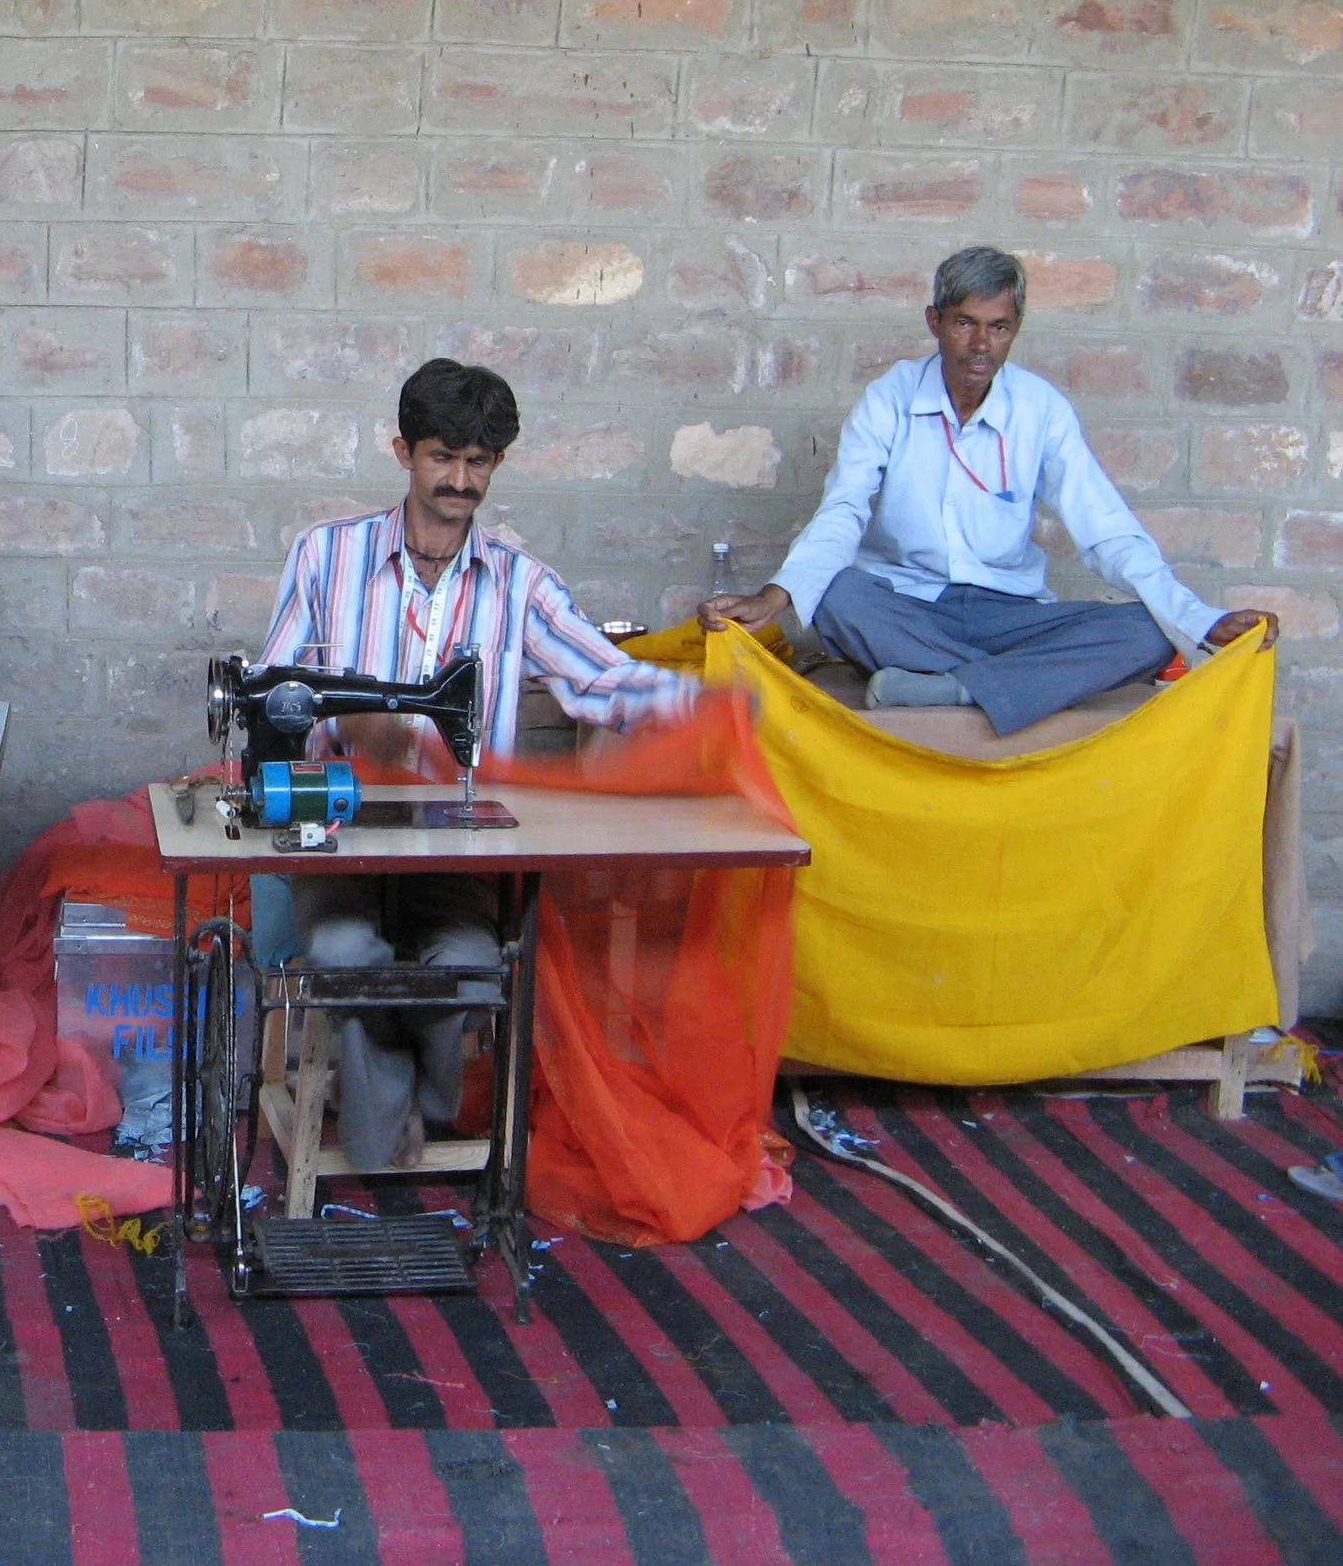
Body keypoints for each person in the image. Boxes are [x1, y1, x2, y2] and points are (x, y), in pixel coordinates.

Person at [260, 358, 697, 1172]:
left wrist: (710, 708)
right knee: (350, 958)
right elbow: (279, 697)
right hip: (341, 834)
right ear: (403, 451)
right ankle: (392, 1139)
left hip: (454, 841)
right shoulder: (326, 557)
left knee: (463, 965)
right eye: (442, 456)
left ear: (497, 463)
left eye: (479, 462)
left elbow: (601, 678)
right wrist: (353, 724)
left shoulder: (519, 585)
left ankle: (392, 1110)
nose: (460, 481)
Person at [700, 246, 1276, 735]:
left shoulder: (1041, 409)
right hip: (910, 608)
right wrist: (775, 597)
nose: (981, 344)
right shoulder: (889, 398)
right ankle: (1020, 683)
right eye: (964, 323)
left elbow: (1107, 532)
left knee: (1150, 629)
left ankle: (952, 689)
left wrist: (1197, 619)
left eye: (998, 327)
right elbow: (844, 510)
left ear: (1015, 329)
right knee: (835, 596)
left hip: (1012, 614)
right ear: (934, 322)